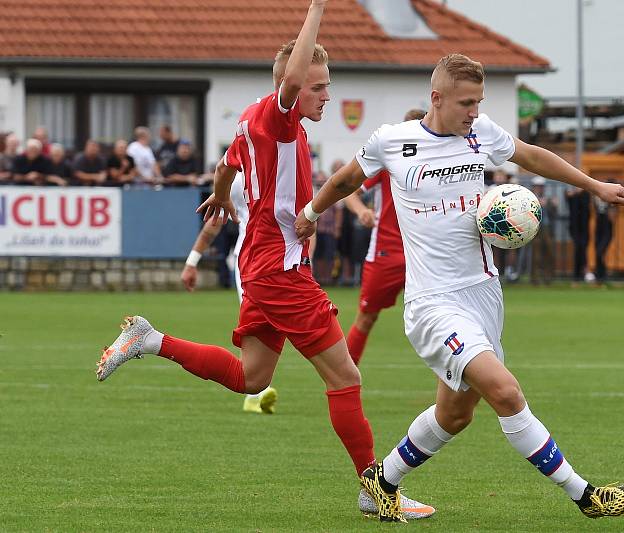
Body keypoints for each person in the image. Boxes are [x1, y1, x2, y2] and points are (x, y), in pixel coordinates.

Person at [95, 1, 431, 520]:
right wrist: (318, 7)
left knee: (252, 379)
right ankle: (376, 492)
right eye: (319, 87)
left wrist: (221, 194)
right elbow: (290, 81)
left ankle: (150, 339)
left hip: (259, 267)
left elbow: (227, 162)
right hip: (278, 270)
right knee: (345, 379)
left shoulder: (256, 119)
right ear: (291, 86)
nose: (326, 94)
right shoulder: (277, 119)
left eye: (327, 84)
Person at [295, 53, 624, 522]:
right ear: (436, 99)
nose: (474, 111)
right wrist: (311, 215)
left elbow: (532, 155)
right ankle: (585, 495)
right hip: (434, 305)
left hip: (484, 294)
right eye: (465, 103)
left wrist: (592, 184)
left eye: (478, 101)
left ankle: (381, 482)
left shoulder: (482, 133)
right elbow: (345, 180)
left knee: (455, 415)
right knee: (507, 393)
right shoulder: (393, 141)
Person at [181, 172, 278, 414]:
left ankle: (257, 388)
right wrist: (192, 261)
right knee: (255, 327)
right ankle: (255, 393)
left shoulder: (289, 163)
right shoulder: (238, 177)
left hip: (286, 263)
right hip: (251, 263)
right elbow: (214, 221)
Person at [342, 108, 425, 366]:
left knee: (440, 322)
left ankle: (451, 393)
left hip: (425, 255)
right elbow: (348, 193)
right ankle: (341, 377)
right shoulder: (388, 160)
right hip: (386, 253)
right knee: (366, 317)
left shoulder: (440, 163)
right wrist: (362, 211)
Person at [311, 170, 342, 285]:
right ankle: (318, 277)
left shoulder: (332, 192)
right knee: (317, 254)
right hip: (317, 230)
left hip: (330, 229)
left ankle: (328, 277)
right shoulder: (313, 191)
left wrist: (337, 228)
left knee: (329, 254)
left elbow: (339, 211)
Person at [528, 176, 556, 284]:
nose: (539, 189)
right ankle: (534, 279)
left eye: (541, 187)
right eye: (537, 187)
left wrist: (552, 205)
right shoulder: (529, 199)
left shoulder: (547, 199)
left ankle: (548, 278)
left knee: (549, 253)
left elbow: (554, 214)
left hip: (547, 228)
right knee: (536, 255)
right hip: (534, 229)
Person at [566, 187, 591, 285]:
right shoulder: (572, 195)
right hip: (575, 228)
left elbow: (586, 205)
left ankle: (581, 273)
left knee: (582, 248)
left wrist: (580, 193)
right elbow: (568, 197)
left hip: (584, 228)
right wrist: (575, 193)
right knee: (578, 249)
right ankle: (581, 273)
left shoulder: (586, 195)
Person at [593, 183, 616, 284]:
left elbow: (613, 217)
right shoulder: (596, 200)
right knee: (597, 253)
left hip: (607, 231)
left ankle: (602, 275)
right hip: (599, 230)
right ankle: (600, 275)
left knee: (599, 252)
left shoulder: (610, 202)